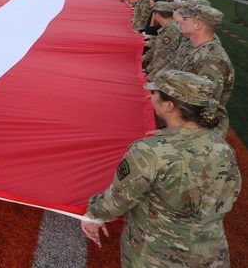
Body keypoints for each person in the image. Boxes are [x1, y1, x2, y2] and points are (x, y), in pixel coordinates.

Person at [81, 70, 241, 266]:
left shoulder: (149, 152)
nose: (151, 96)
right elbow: (229, 195)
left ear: (169, 105)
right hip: (210, 256)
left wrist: (93, 214)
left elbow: (118, 200)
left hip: (156, 256)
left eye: (155, 93)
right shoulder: (223, 148)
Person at [175, 4, 234, 138]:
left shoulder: (211, 61)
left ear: (198, 25)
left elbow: (205, 108)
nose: (180, 20)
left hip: (197, 132)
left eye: (185, 18)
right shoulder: (198, 48)